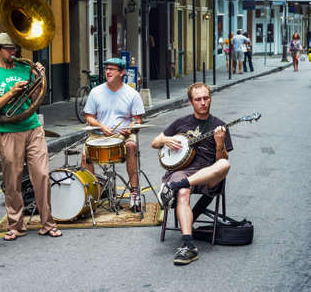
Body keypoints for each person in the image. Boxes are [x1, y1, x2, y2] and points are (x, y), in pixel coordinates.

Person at [0, 32, 61, 241]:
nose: (13, 53)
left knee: (42, 175)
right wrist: (11, 93)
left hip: (33, 127)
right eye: (9, 49)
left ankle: (48, 223)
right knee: (12, 181)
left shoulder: (25, 69)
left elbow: (35, 101)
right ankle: (16, 225)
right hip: (9, 132)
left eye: (15, 49)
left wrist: (37, 79)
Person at [151, 82, 233, 266]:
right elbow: (155, 142)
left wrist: (219, 144)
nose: (203, 102)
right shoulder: (181, 123)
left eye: (206, 98)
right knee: (183, 191)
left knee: (224, 164)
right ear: (191, 102)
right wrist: (166, 139)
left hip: (208, 174)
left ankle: (174, 187)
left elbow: (221, 159)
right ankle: (189, 245)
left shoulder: (220, 125)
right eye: (198, 99)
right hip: (181, 170)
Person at [82, 58, 145, 211]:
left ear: (122, 72)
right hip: (99, 133)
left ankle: (134, 194)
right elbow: (88, 116)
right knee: (85, 154)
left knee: (131, 146)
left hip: (122, 135)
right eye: (106, 69)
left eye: (112, 69)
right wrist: (101, 126)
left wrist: (130, 129)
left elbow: (138, 120)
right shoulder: (95, 92)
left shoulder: (132, 94)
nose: (108, 72)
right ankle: (93, 194)